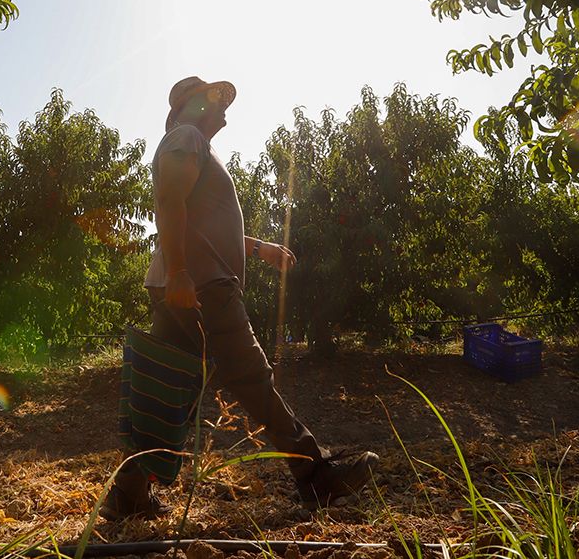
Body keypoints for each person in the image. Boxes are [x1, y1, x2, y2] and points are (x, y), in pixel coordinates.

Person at [104, 76, 378, 519]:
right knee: (251, 377)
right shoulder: (185, 136)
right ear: (190, 106)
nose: (223, 106)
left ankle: (130, 492)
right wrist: (178, 272)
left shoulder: (197, 146)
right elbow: (168, 199)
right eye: (214, 98)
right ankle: (315, 474)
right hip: (202, 288)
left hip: (193, 284)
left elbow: (206, 222)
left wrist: (258, 247)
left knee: (172, 391)